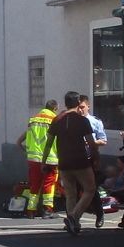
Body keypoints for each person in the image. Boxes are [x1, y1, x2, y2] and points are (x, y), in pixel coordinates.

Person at [41, 91, 100, 235]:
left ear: (66, 103)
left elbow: (48, 143)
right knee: (90, 189)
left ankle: (73, 224)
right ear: (78, 102)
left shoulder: (57, 120)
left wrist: (44, 161)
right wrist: (96, 158)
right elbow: (91, 143)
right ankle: (74, 217)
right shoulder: (82, 121)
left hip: (64, 163)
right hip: (80, 162)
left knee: (70, 194)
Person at [16, 99, 59, 219]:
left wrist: (27, 150)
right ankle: (47, 210)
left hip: (33, 158)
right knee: (49, 184)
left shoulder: (33, 120)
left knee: (34, 184)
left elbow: (21, 140)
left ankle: (31, 210)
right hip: (50, 157)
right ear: (55, 108)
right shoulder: (54, 120)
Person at [78, 95, 107, 228]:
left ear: (88, 107)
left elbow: (103, 140)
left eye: (82, 107)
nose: (80, 110)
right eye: (78, 107)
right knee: (74, 190)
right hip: (75, 159)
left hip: (90, 159)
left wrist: (92, 143)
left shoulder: (95, 122)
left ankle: (99, 214)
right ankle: (74, 219)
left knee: (91, 189)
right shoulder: (74, 121)